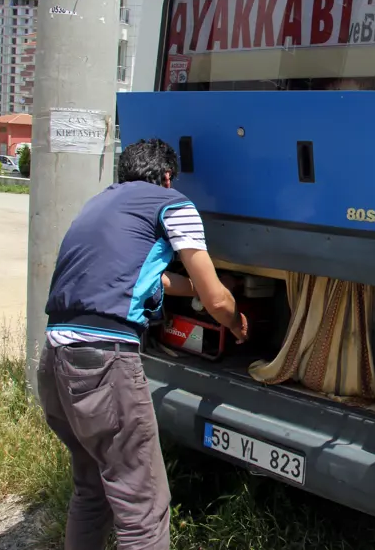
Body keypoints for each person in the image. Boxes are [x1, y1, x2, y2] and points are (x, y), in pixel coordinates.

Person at [37, 138, 248, 550]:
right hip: (103, 365)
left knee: (92, 489)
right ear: (167, 177)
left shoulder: (99, 205)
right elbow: (218, 302)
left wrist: (202, 289)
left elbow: (153, 277)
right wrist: (234, 318)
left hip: (56, 360)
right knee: (144, 508)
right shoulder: (172, 203)